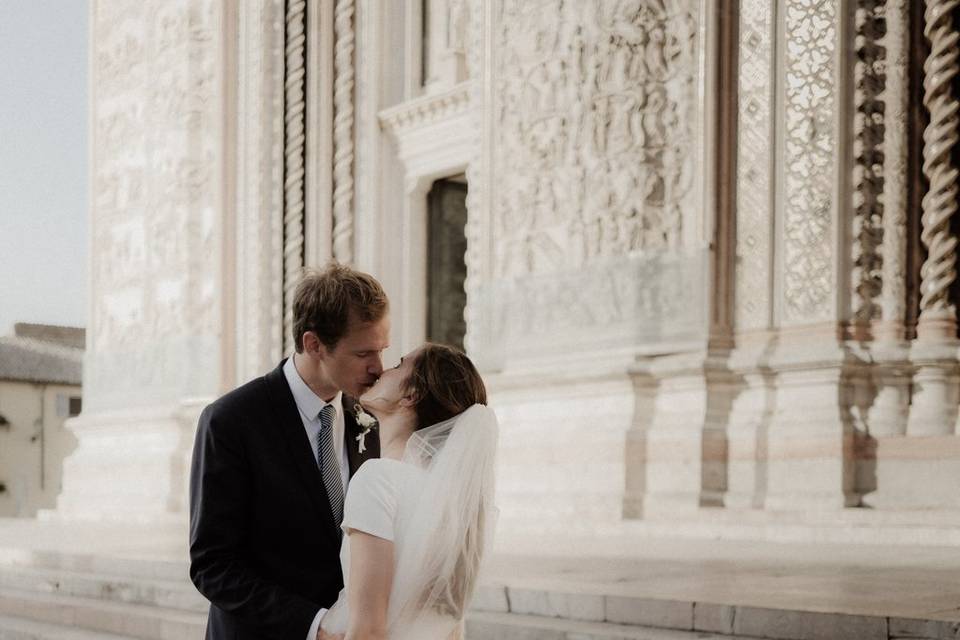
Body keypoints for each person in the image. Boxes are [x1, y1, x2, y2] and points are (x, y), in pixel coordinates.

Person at [189, 264, 390, 640]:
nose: (378, 368)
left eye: (382, 350)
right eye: (364, 353)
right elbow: (212, 566)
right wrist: (315, 626)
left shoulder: (373, 421)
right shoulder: (230, 421)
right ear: (314, 344)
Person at [318, 343, 498, 640]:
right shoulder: (454, 502)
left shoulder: (378, 479)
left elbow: (368, 630)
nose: (382, 369)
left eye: (400, 364)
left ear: (410, 395)